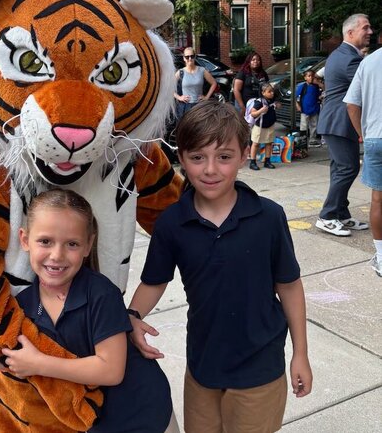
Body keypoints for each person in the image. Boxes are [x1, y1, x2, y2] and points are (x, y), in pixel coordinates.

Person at [127, 100, 312, 433]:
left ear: (243, 155)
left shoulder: (268, 217)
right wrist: (132, 316)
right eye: (197, 157)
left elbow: (289, 286)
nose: (210, 169)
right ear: (181, 158)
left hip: (260, 369)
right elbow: (155, 281)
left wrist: (301, 353)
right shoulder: (172, 223)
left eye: (224, 157)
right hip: (203, 366)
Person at [0, 189, 179, 433]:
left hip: (143, 414)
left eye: (71, 244)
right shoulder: (22, 306)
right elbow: (24, 366)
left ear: (87, 245)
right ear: (25, 239)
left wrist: (39, 363)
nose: (57, 255)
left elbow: (111, 370)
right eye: (45, 241)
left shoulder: (101, 294)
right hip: (92, 422)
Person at [316, 14, 373, 237]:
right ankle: (327, 216)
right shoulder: (350, 59)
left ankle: (340, 213)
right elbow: (370, 87)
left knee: (340, 169)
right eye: (365, 28)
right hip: (339, 122)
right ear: (350, 33)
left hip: (336, 122)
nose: (370, 32)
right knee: (348, 168)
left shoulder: (340, 54)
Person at [344, 47, 382, 277]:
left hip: (376, 137)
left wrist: (363, 134)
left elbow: (351, 104)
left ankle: (381, 255)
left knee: (378, 199)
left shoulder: (368, 62)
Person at [174, 47, 217, 119]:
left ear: (195, 57)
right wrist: (179, 97)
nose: (190, 59)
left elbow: (214, 83)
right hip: (185, 107)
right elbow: (169, 87)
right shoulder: (181, 72)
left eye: (192, 56)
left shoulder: (202, 70)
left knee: (199, 128)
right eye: (187, 57)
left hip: (199, 106)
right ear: (184, 58)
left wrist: (206, 97)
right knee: (186, 129)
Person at [249, 83, 279, 171]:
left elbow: (278, 104)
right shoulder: (259, 102)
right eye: (269, 92)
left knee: (269, 143)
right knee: (255, 143)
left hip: (270, 125)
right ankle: (252, 162)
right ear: (263, 93)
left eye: (272, 91)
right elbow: (253, 113)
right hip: (260, 126)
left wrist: (277, 105)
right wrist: (261, 110)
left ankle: (267, 161)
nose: (272, 93)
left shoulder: (272, 100)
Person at [233, 52, 269, 116]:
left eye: (258, 60)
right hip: (245, 104)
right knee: (243, 124)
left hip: (258, 105)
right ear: (249, 62)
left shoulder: (263, 74)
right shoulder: (243, 73)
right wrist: (242, 107)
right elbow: (236, 90)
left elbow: (267, 88)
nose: (256, 61)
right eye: (253, 60)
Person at [296, 70, 322, 148]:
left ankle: (312, 140)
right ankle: (303, 141)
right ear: (305, 78)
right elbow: (296, 97)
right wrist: (297, 105)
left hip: (314, 109)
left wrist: (318, 83)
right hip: (305, 109)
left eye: (312, 76)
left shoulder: (316, 86)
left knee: (314, 125)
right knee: (304, 125)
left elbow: (318, 95)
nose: (311, 78)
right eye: (309, 76)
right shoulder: (303, 86)